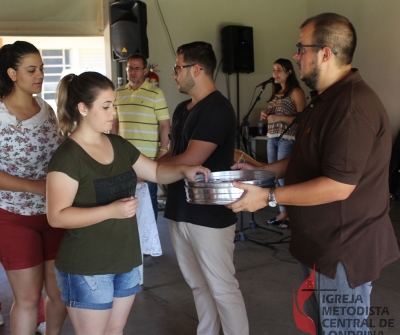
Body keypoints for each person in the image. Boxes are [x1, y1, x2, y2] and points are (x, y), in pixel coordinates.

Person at [228, 13, 400, 334]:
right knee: (321, 327)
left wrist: (268, 196)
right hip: (318, 244)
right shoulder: (322, 101)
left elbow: (338, 185)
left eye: (300, 48)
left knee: (342, 330)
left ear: (325, 53)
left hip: (342, 252)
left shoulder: (350, 106)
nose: (296, 56)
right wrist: (261, 170)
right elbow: (303, 159)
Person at [46, 71, 209, 335]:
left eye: (114, 106)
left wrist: (183, 171)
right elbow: (57, 216)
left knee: (116, 330)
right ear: (82, 109)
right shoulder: (67, 157)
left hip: (127, 259)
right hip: (88, 266)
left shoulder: (118, 145)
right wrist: (111, 210)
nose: (114, 113)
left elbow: (155, 172)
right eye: (106, 106)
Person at [0, 41, 67, 335]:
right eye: (31, 70)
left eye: (41, 68)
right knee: (27, 299)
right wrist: (35, 187)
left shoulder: (47, 109)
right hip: (11, 216)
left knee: (60, 294)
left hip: (54, 214)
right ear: (12, 74)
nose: (40, 74)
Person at [158, 41, 249, 335]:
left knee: (222, 288)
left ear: (196, 69)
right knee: (198, 285)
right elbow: (173, 155)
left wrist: (148, 171)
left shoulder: (218, 109)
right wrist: (152, 165)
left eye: (177, 68)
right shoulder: (184, 108)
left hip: (209, 214)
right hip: (180, 208)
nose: (174, 74)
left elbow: (190, 159)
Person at [110, 53, 170, 220]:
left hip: (147, 161)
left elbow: (165, 125)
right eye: (130, 68)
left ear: (145, 71)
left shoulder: (155, 93)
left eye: (137, 68)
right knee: (125, 207)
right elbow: (114, 124)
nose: (132, 72)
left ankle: (149, 246)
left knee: (148, 209)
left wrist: (163, 152)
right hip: (123, 160)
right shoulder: (118, 93)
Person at [260, 58, 305, 228]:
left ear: (289, 72)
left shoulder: (296, 92)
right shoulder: (276, 93)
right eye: (273, 70)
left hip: (288, 138)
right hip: (272, 137)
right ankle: (283, 212)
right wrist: (266, 114)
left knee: (285, 177)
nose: (275, 73)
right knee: (275, 177)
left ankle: (291, 214)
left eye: (279, 70)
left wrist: (279, 118)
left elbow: (303, 118)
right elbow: (275, 114)